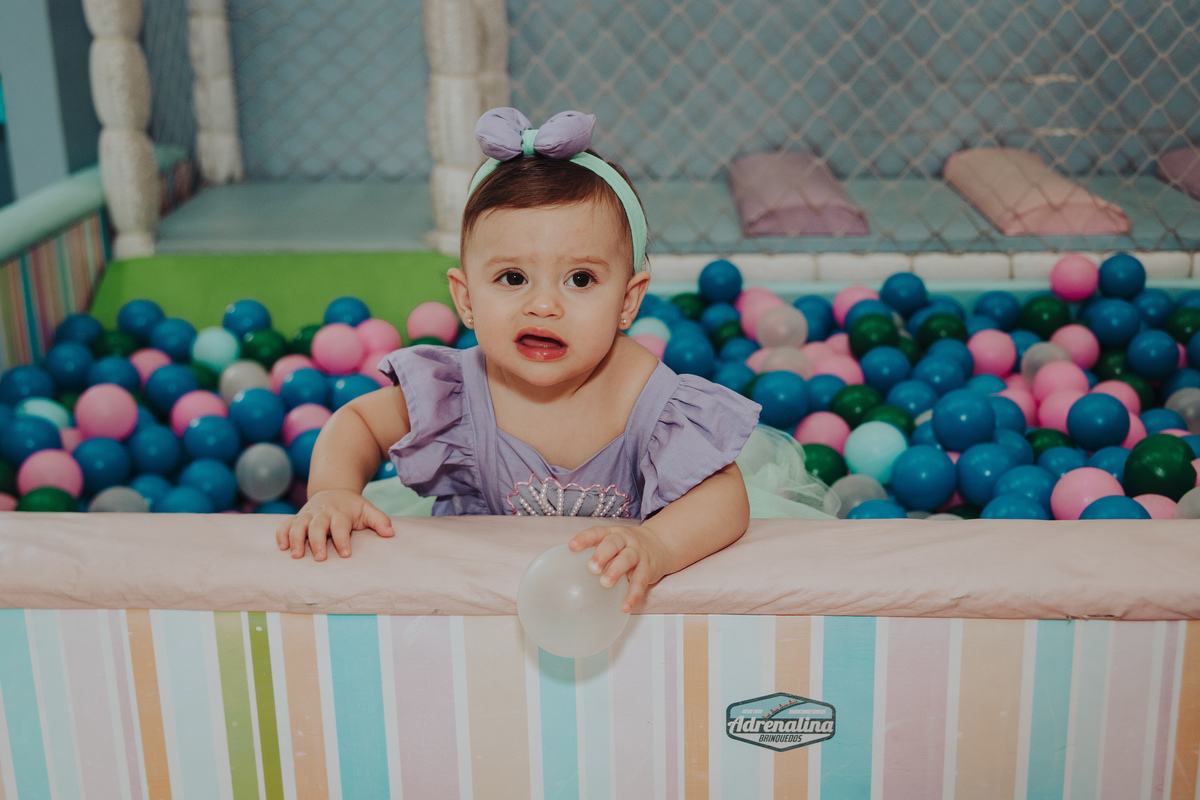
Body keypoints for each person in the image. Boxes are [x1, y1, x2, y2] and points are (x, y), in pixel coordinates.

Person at [277, 108, 829, 612]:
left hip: (602, 601)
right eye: (512, 278)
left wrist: (656, 543)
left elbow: (723, 496)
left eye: (581, 279)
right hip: (478, 594)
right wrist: (333, 493)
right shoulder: (455, 391)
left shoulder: (646, 398)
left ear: (628, 301)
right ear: (466, 298)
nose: (544, 304)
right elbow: (357, 423)